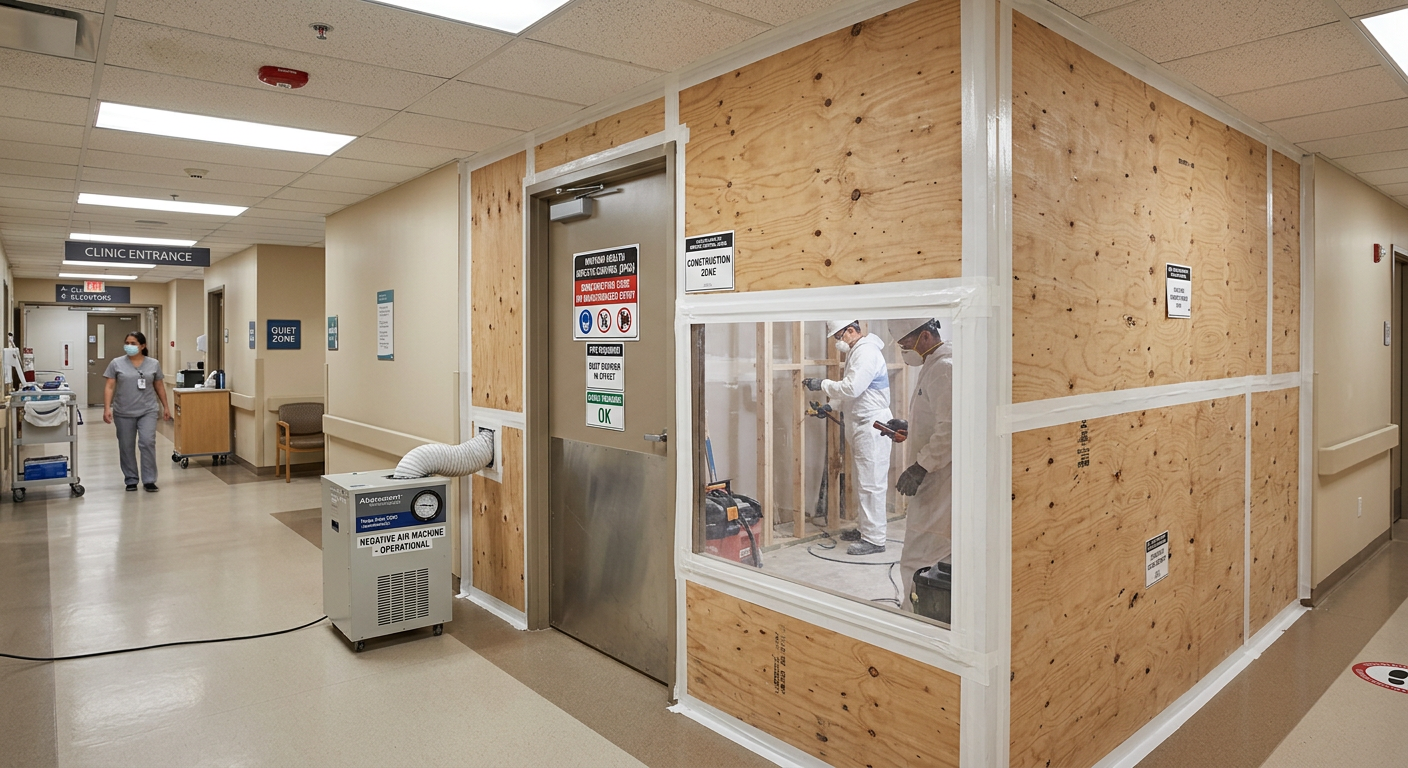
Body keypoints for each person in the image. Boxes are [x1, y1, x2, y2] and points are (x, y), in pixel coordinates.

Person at [804, 320, 893, 555]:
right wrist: (830, 407)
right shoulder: (857, 352)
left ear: (851, 331)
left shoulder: (866, 353)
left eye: (838, 336)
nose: (837, 342)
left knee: (872, 484)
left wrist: (821, 384)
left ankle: (874, 539)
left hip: (872, 425)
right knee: (866, 482)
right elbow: (853, 391)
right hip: (862, 423)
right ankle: (866, 529)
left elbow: (852, 388)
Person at [886, 318, 952, 612]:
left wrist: (920, 466)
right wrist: (910, 427)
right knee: (932, 551)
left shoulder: (945, 368)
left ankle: (915, 616)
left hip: (940, 479)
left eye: (905, 344)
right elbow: (937, 420)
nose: (904, 352)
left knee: (919, 555)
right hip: (937, 473)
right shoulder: (934, 365)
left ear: (925, 335)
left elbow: (953, 428)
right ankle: (923, 610)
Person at [103, 332, 171, 492]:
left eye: (133, 343)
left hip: (148, 410)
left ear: (142, 346)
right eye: (127, 342)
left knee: (147, 442)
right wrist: (107, 408)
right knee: (126, 446)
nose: (129, 346)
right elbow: (109, 386)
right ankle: (131, 479)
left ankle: (149, 480)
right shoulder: (116, 363)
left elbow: (159, 386)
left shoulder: (153, 364)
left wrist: (166, 406)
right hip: (123, 411)